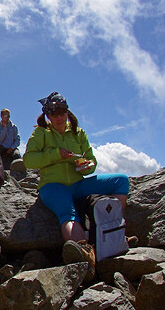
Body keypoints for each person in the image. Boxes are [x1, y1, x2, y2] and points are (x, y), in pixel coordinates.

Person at [23, 92, 130, 277]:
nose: (59, 117)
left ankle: (115, 232)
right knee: (68, 212)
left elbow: (91, 159)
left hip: (78, 184)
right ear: (48, 115)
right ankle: (85, 259)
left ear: (67, 112)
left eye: (62, 112)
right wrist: (57, 154)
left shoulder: (77, 133)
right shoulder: (41, 133)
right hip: (52, 186)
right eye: (54, 114)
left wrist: (88, 166)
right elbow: (29, 160)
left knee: (121, 181)